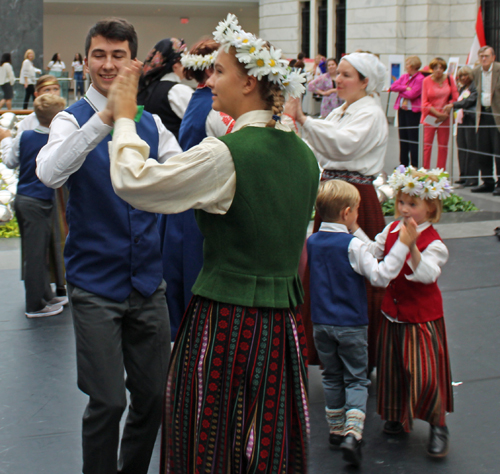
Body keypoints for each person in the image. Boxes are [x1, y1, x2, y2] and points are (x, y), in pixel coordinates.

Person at [107, 14, 318, 473]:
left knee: (209, 440)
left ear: (248, 83)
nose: (210, 78)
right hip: (280, 328)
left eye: (220, 70)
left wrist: (125, 120)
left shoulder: (226, 155)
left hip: (225, 321)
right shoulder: (304, 155)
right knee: (267, 440)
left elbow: (134, 181)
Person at [37, 18, 181, 474]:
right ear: (85, 61)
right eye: (99, 54)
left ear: (134, 64)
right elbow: (49, 173)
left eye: (118, 55)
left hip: (147, 284)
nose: (107, 63)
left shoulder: (153, 125)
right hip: (96, 285)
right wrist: (104, 119)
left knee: (155, 396)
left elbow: (180, 179)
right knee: (107, 400)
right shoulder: (69, 118)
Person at [286, 52, 388, 369]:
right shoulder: (343, 111)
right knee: (325, 273)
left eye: (346, 75)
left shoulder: (369, 112)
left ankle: (361, 352)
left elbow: (344, 145)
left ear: (365, 82)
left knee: (356, 272)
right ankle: (325, 346)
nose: (338, 80)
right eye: (338, 74)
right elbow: (323, 148)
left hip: (354, 199)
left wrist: (303, 119)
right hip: (333, 195)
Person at [308, 179, 417, 467]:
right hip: (351, 324)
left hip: (321, 323)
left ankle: (334, 429)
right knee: (356, 377)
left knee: (331, 375)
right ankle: (352, 434)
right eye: (356, 210)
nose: (358, 214)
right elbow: (380, 276)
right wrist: (403, 247)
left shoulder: (312, 241)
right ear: (346, 212)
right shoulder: (353, 246)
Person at [356, 165, 454, 458]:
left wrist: (411, 248)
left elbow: (426, 274)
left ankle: (438, 424)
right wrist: (353, 230)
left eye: (413, 204)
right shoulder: (391, 229)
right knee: (392, 369)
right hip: (392, 314)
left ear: (430, 207)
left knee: (425, 374)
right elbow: (374, 249)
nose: (405, 209)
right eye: (402, 202)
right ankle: (395, 415)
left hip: (421, 317)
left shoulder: (434, 242)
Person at [159, 38, 234, 339]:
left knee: (178, 281)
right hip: (202, 207)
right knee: (197, 280)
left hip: (184, 203)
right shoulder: (217, 110)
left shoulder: (196, 99)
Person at [0, 94, 68, 317]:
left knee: (39, 252)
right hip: (37, 202)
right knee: (36, 256)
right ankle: (34, 305)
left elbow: (10, 162)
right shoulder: (58, 141)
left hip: (25, 198)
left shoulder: (25, 136)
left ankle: (45, 295)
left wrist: (7, 139)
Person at [137, 37, 193, 139]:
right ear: (175, 65)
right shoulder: (178, 91)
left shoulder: (145, 90)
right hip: (176, 152)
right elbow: (197, 124)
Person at [471, 45, 500, 195]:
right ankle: (487, 182)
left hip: (497, 115)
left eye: (486, 56)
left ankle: (499, 183)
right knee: (483, 150)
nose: (483, 59)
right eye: (481, 56)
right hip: (482, 114)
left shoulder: (498, 70)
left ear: (493, 57)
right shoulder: (476, 72)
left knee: (498, 150)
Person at [421, 57, 459, 170]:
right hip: (430, 117)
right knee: (427, 146)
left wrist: (446, 112)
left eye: (441, 68)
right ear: (432, 69)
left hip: (445, 117)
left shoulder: (449, 79)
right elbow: (424, 103)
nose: (438, 70)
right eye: (436, 68)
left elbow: (455, 97)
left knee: (443, 146)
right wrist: (438, 114)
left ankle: (440, 172)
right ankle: (425, 171)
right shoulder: (426, 81)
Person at [444, 66, 478, 186]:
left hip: (470, 120)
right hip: (461, 120)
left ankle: (472, 178)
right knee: (462, 148)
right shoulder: (462, 88)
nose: (463, 78)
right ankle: (463, 175)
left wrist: (454, 105)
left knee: (471, 148)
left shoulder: (474, 87)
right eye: (461, 76)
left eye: (465, 75)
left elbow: (469, 101)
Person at [389, 55, 424, 167]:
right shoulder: (405, 77)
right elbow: (393, 86)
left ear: (413, 65)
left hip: (412, 111)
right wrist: (404, 88)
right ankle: (403, 163)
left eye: (407, 64)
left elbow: (413, 94)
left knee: (412, 138)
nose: (406, 66)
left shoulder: (420, 79)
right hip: (402, 110)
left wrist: (402, 90)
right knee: (402, 136)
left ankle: (414, 164)